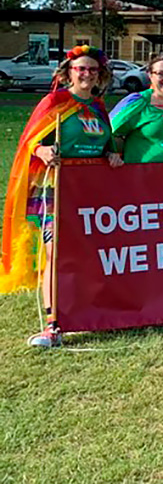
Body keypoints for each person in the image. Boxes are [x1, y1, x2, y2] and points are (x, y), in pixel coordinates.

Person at [3, 46, 123, 347]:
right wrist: (42, 150)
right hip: (57, 186)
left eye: (92, 69)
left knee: (90, 252)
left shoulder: (98, 107)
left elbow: (106, 143)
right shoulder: (54, 102)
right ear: (69, 72)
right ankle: (53, 322)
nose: (87, 74)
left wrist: (111, 155)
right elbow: (31, 142)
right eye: (81, 69)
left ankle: (91, 310)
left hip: (91, 190)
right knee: (55, 252)